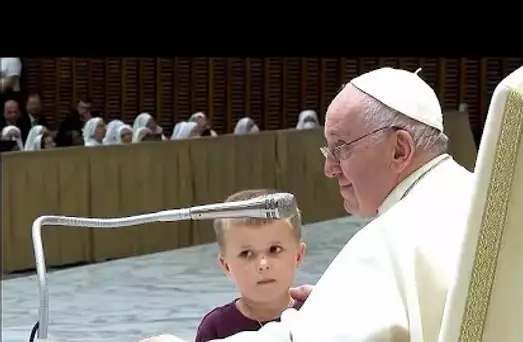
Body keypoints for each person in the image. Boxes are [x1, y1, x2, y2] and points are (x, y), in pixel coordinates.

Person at [141, 67, 474, 342]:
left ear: (399, 150)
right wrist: (339, 308)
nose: (330, 168)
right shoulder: (471, 198)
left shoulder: (397, 233)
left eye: (341, 148)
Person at [195, 189, 307, 342]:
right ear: (227, 266)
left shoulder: (317, 312)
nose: (263, 265)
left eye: (275, 249)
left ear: (298, 255)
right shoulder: (215, 328)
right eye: (246, 253)